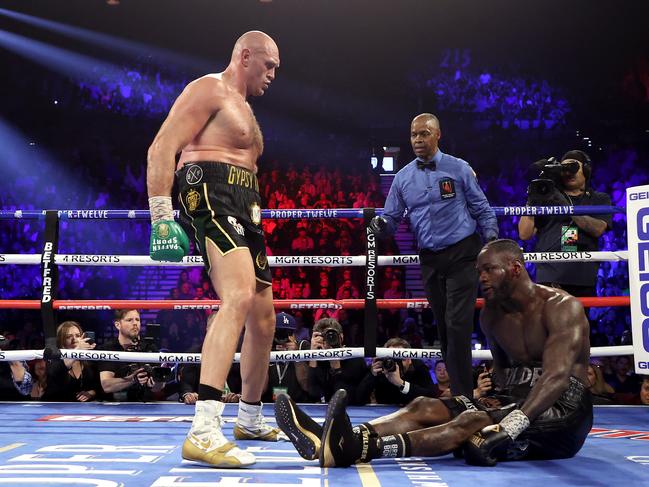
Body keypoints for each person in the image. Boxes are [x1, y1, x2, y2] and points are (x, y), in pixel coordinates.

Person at [276, 239, 593, 467]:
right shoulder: (491, 315)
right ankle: (327, 436)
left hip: (563, 410)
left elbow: (556, 377)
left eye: (488, 270)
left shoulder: (562, 308)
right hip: (517, 398)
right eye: (478, 270)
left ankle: (356, 448)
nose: (480, 278)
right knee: (426, 405)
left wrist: (507, 425)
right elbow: (502, 370)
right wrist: (489, 389)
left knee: (470, 420)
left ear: (514, 268)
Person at [146, 30, 282, 468]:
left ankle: (250, 417)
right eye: (269, 65)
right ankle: (203, 430)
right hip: (208, 191)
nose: (273, 75)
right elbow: (163, 145)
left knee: (264, 316)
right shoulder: (209, 88)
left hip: (247, 200)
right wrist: (161, 214)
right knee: (238, 295)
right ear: (246, 56)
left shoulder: (244, 107)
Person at [369, 113, 498, 398]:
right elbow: (391, 219)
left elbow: (481, 208)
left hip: (463, 253)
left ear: (437, 135)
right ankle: (460, 394)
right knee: (444, 327)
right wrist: (381, 226)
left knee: (457, 324)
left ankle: (463, 396)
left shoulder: (459, 168)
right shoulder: (403, 178)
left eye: (424, 134)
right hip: (429, 259)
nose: (417, 139)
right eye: (414, 134)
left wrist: (491, 244)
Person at [518, 150, 612, 298]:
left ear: (586, 171)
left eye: (573, 167)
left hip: (582, 278)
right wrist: (531, 200)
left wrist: (565, 205)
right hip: (549, 277)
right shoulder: (546, 197)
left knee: (580, 321)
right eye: (564, 169)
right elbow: (524, 234)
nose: (568, 173)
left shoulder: (599, 198)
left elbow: (598, 229)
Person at [98, 309, 165, 402]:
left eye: (137, 320)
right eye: (129, 320)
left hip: (146, 406)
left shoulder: (149, 348)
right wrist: (133, 379)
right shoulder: (109, 349)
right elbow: (107, 386)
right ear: (117, 325)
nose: (135, 323)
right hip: (115, 407)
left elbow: (158, 387)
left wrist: (155, 382)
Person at [357, 337, 440, 405]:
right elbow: (358, 399)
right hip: (383, 414)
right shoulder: (380, 367)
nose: (396, 363)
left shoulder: (418, 367)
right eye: (392, 359)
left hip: (413, 413)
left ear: (409, 359)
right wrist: (372, 375)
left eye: (401, 359)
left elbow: (432, 397)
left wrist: (401, 384)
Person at [307, 318, 367, 405]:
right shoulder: (318, 360)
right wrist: (313, 355)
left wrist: (336, 367)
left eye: (332, 335)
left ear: (341, 337)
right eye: (324, 337)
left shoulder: (355, 358)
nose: (328, 340)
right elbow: (313, 393)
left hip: (352, 412)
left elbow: (349, 399)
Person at [44, 321, 101, 402]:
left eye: (77, 335)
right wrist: (77, 350)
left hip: (83, 410)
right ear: (61, 340)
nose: (74, 340)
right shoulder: (53, 357)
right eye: (68, 337)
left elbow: (99, 386)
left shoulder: (89, 360)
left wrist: (91, 393)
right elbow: (56, 372)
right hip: (55, 406)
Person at [262, 312, 310, 403]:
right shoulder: (265, 347)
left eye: (286, 332)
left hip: (298, 404)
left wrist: (296, 356)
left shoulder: (302, 347)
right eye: (279, 331)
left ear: (293, 333)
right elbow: (261, 390)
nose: (282, 335)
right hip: (268, 404)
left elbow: (306, 386)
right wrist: (265, 354)